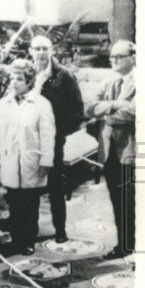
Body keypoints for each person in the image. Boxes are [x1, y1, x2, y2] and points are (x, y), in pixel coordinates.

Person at [0, 59, 56, 255]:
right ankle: (17, 239)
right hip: (9, 161)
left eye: (19, 79)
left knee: (30, 204)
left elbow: (48, 136)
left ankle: (28, 240)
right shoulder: (4, 103)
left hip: (31, 163)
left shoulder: (41, 104)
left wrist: (46, 162)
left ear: (29, 81)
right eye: (12, 78)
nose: (13, 82)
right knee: (15, 203)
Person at [30, 35, 85, 243]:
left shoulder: (64, 76)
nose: (41, 53)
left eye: (45, 48)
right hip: (30, 143)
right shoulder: (27, 74)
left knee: (55, 187)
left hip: (53, 141)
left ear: (51, 50)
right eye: (37, 49)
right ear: (30, 51)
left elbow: (77, 111)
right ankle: (31, 229)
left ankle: (60, 230)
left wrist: (59, 132)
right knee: (31, 188)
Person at [86, 40, 136, 259]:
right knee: (117, 199)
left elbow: (134, 112)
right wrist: (116, 105)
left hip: (130, 150)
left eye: (119, 56)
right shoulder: (108, 81)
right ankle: (124, 245)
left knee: (130, 200)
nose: (114, 60)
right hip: (109, 150)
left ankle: (134, 245)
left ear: (133, 57)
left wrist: (107, 110)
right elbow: (90, 108)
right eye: (112, 57)